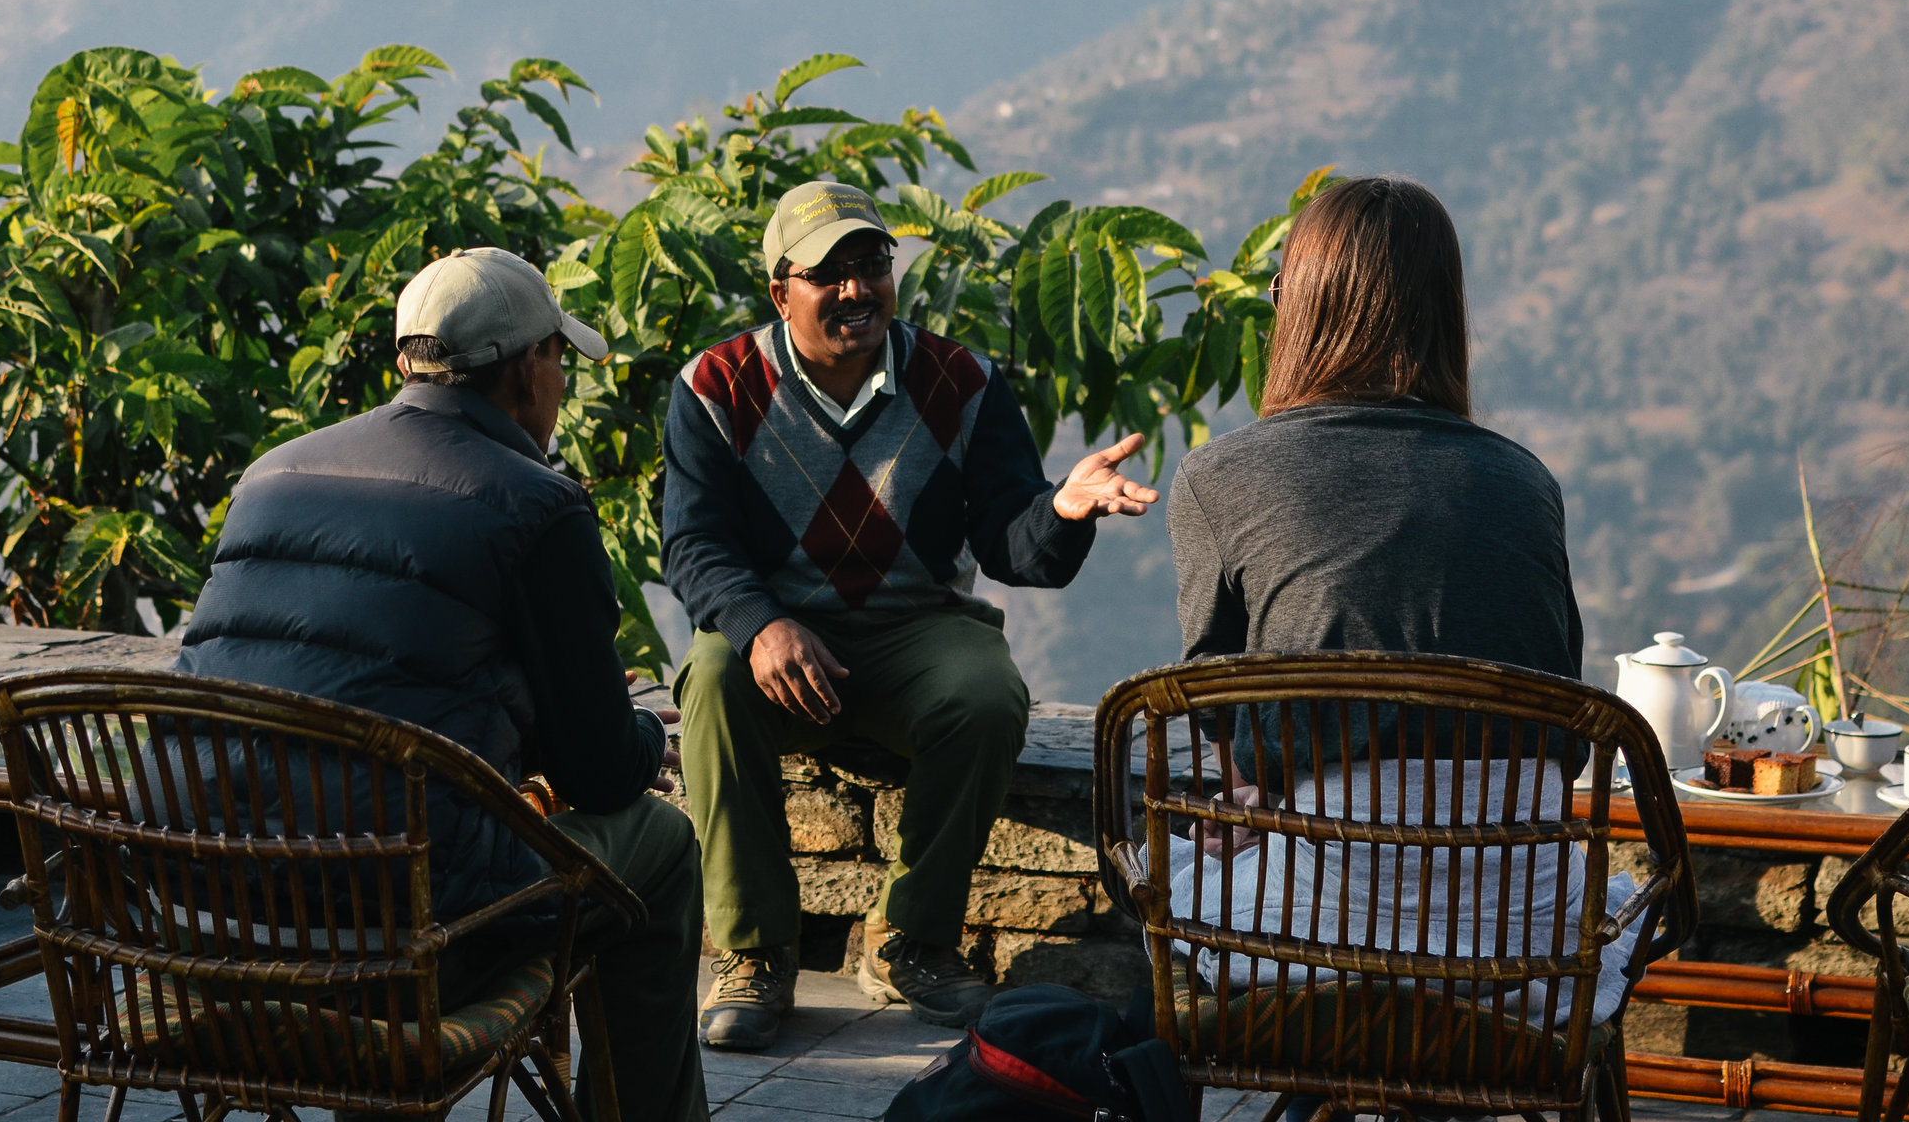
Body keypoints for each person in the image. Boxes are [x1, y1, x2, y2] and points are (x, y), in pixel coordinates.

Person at [177, 248, 706, 1122]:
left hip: (205, 922)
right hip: (402, 945)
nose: (563, 382)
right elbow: (599, 775)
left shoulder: (272, 472)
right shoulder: (537, 505)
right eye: (561, 359)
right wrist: (644, 731)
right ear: (528, 367)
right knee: (658, 847)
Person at [664, 180, 1159, 1047]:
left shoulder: (959, 382)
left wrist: (1064, 508)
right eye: (830, 274)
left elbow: (1012, 545)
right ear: (781, 293)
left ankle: (913, 940)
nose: (857, 290)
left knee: (985, 693)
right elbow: (694, 547)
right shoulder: (716, 386)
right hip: (778, 633)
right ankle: (754, 952)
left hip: (913, 631)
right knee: (709, 675)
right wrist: (760, 625)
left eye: (872, 266)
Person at [1168, 175, 1581, 684]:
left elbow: (1214, 702)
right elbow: (1563, 705)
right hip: (1519, 768)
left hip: (1314, 768)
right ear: (1445, 317)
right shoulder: (1528, 483)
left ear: (1298, 310)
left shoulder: (1216, 477)